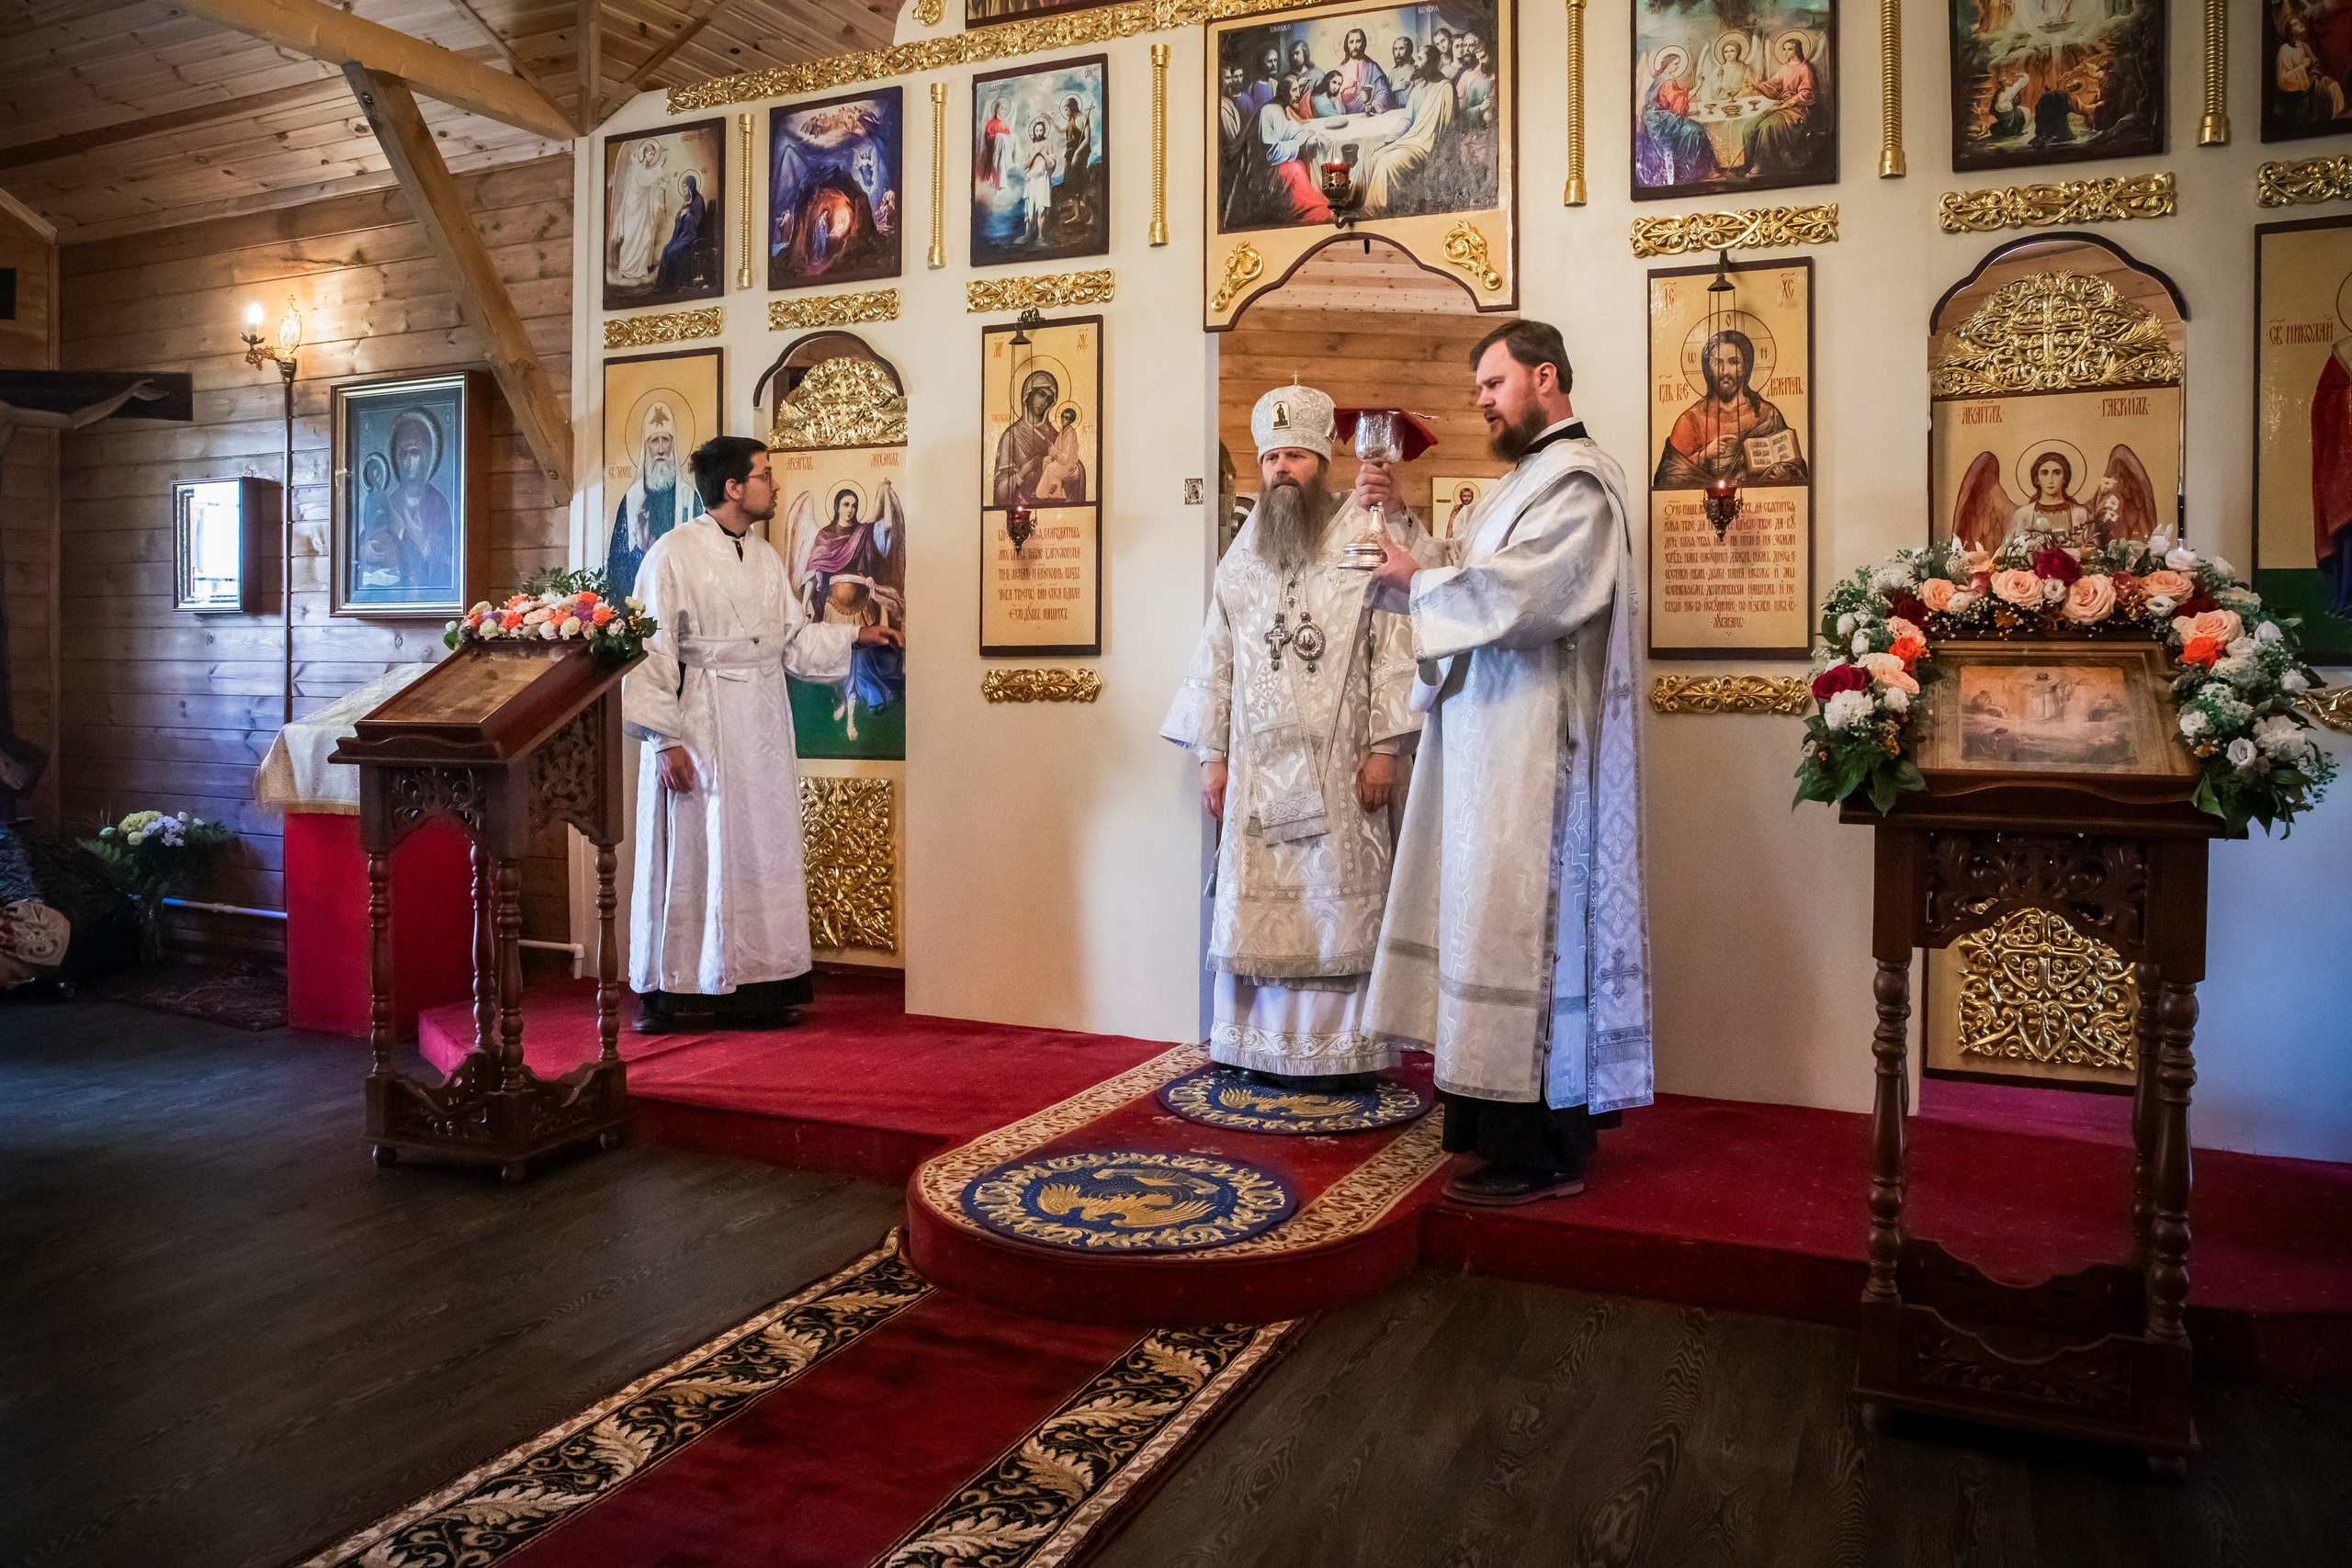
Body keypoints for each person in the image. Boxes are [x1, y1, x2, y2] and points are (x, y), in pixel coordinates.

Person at [1363, 320, 1654, 1206]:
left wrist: (1422, 584)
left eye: (1494, 384)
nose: (1482, 401)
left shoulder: (1579, 485)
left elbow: (1530, 592)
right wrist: (1414, 562)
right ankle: (1493, 1130)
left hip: (1541, 760)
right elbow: (1472, 567)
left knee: (1527, 941)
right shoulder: (1522, 482)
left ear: (1547, 377)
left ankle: (1544, 1150)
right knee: (1488, 929)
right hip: (1495, 746)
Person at [1162, 385, 1422, 1084]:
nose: (1282, 468)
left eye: (1297, 456)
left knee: (1332, 907)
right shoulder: (1241, 560)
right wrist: (1211, 758)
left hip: (1345, 776)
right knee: (1262, 908)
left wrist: (1385, 748)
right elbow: (1216, 661)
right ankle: (1257, 1048)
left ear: (1323, 462)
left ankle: (1341, 1056)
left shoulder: (1361, 537)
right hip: (1254, 776)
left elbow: (1393, 643)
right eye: (1272, 455)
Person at [624, 436, 904, 1033]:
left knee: (758, 844)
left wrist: (856, 638)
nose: (773, 486)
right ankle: (680, 989)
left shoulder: (764, 556)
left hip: (760, 721)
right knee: (701, 846)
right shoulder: (672, 555)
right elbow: (649, 652)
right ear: (733, 487)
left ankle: (757, 985)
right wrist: (662, 740)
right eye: (765, 475)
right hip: (700, 720)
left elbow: (794, 641)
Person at [1652, 329, 1807, 489]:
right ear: (1708, 368)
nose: (1725, 371)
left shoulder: (1767, 415)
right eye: (1718, 363)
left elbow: (1797, 469)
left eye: (1733, 362)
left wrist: (1786, 474)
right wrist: (1704, 455)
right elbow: (1667, 479)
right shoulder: (1691, 420)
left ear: (1746, 366)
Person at [605, 402, 692, 603]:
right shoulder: (629, 502)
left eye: (666, 440)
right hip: (640, 606)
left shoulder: (690, 498)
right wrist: (640, 549)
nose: (661, 449)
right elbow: (617, 572)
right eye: (654, 441)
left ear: (674, 445)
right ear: (646, 447)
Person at [1361, 48, 1455, 215]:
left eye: (1420, 59)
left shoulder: (1445, 88)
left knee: (1386, 162)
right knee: (1376, 155)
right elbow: (1406, 120)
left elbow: (1448, 127)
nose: (1416, 64)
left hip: (1427, 147)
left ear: (1432, 63)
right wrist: (1387, 140)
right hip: (1412, 141)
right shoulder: (1418, 89)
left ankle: (1374, 211)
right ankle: (1384, 208)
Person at [1636, 48, 1719, 189]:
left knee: (1696, 128)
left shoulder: (1660, 79)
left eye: (1678, 64)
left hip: (1659, 118)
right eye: (1675, 64)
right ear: (1667, 64)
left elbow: (1677, 100)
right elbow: (1676, 105)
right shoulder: (1667, 81)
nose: (1677, 67)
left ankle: (1701, 170)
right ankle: (1695, 172)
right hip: (1663, 122)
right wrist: (1698, 86)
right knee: (1696, 130)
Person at [1743, 34, 1820, 176]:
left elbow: (1806, 94)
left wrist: (1785, 104)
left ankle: (1762, 164)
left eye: (1789, 49)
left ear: (1796, 50)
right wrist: (1757, 86)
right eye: (1784, 49)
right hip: (1782, 106)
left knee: (1767, 125)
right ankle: (1749, 162)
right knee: (1750, 127)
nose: (1785, 52)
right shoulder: (1785, 68)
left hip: (1797, 110)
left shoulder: (1805, 68)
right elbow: (1774, 85)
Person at [993, 368, 1067, 506]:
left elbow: (1070, 466)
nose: (1044, 401)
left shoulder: (1056, 437)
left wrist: (1076, 472)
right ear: (1029, 395)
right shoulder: (1012, 436)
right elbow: (1000, 491)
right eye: (1041, 394)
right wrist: (1022, 473)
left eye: (1049, 398)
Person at [653, 173, 710, 294]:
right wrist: (680, 215)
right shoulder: (687, 200)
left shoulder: (698, 200)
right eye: (683, 187)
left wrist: (688, 215)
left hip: (693, 236)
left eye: (686, 186)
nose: (684, 189)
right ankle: (664, 284)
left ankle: (674, 283)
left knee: (673, 251)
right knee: (666, 249)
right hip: (683, 235)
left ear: (692, 186)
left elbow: (699, 221)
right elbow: (679, 217)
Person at [1335, 28, 1392, 113]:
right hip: (1345, 115)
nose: (1355, 46)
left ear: (1363, 43)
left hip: (1369, 115)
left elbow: (1383, 92)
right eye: (1351, 42)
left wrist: (1373, 106)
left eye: (1358, 41)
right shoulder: (1340, 69)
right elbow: (1331, 96)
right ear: (1347, 45)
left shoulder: (1372, 67)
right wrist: (1341, 90)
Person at [1021, 120, 1057, 244]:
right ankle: (1029, 234)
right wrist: (1035, 153)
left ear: (1044, 130)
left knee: (1041, 208)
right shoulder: (1028, 145)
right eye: (1037, 130)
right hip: (1031, 180)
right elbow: (1025, 165)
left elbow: (1052, 163)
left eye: (1041, 130)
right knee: (1031, 211)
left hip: (1043, 179)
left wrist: (1041, 152)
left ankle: (1040, 237)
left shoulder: (1048, 144)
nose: (1039, 133)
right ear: (1033, 131)